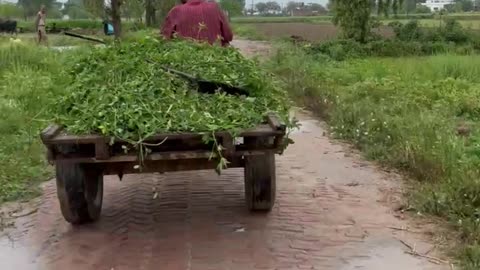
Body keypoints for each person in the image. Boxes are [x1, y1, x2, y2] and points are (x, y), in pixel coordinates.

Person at [161, 0, 233, 46]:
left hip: (184, 61)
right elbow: (228, 36)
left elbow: (163, 39)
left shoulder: (175, 11)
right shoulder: (214, 7)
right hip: (215, 59)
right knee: (226, 44)